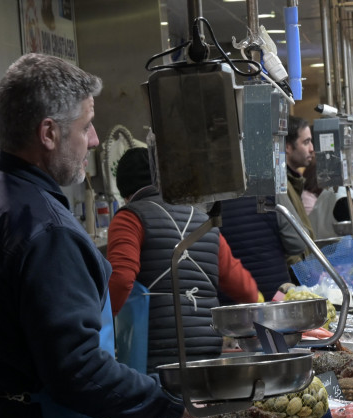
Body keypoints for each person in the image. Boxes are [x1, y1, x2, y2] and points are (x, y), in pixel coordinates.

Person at [0, 53, 187, 418]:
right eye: (87, 126)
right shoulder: (45, 228)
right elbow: (75, 369)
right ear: (49, 132)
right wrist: (172, 401)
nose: (94, 142)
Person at [107, 147, 261, 373]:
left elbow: (120, 280)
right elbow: (247, 292)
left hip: (156, 359)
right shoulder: (204, 222)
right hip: (208, 355)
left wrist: (99, 327)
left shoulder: (129, 218)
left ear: (125, 194)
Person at [283, 116, 317, 247]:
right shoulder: (282, 187)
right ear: (288, 147)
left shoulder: (294, 181)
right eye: (306, 142)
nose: (312, 149)